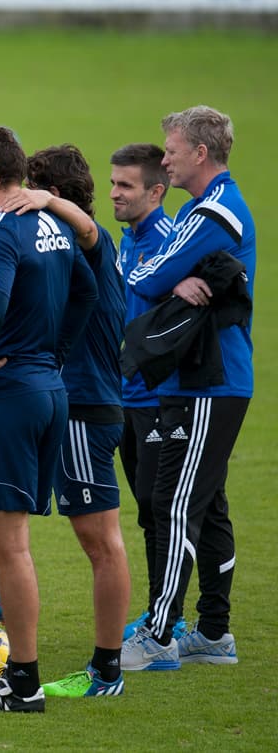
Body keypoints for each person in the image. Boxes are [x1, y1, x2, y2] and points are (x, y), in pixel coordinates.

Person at [0, 126, 96, 713]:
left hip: (7, 396)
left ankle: (24, 682)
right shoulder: (53, 225)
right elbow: (88, 291)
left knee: (8, 546)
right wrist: (56, 356)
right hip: (50, 392)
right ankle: (23, 675)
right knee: (17, 544)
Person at [121, 106, 254, 671]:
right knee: (210, 505)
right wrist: (183, 278)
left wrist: (169, 276)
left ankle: (158, 633)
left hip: (209, 382)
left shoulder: (215, 212)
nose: (166, 157)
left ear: (200, 154)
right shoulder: (207, 209)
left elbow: (146, 277)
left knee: (176, 506)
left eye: (171, 149)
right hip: (203, 379)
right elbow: (165, 276)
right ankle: (215, 635)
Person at [0, 145, 130, 697]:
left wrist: (48, 201)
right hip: (71, 404)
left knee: (101, 543)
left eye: (31, 189)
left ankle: (106, 671)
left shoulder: (88, 241)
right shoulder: (65, 249)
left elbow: (88, 231)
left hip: (84, 409)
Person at [108, 143, 180, 641]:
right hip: (126, 396)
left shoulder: (172, 241)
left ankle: (165, 621)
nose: (114, 193)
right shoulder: (129, 237)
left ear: (156, 191)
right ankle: (161, 612)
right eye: (113, 183)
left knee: (161, 509)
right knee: (146, 510)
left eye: (125, 186)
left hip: (160, 398)